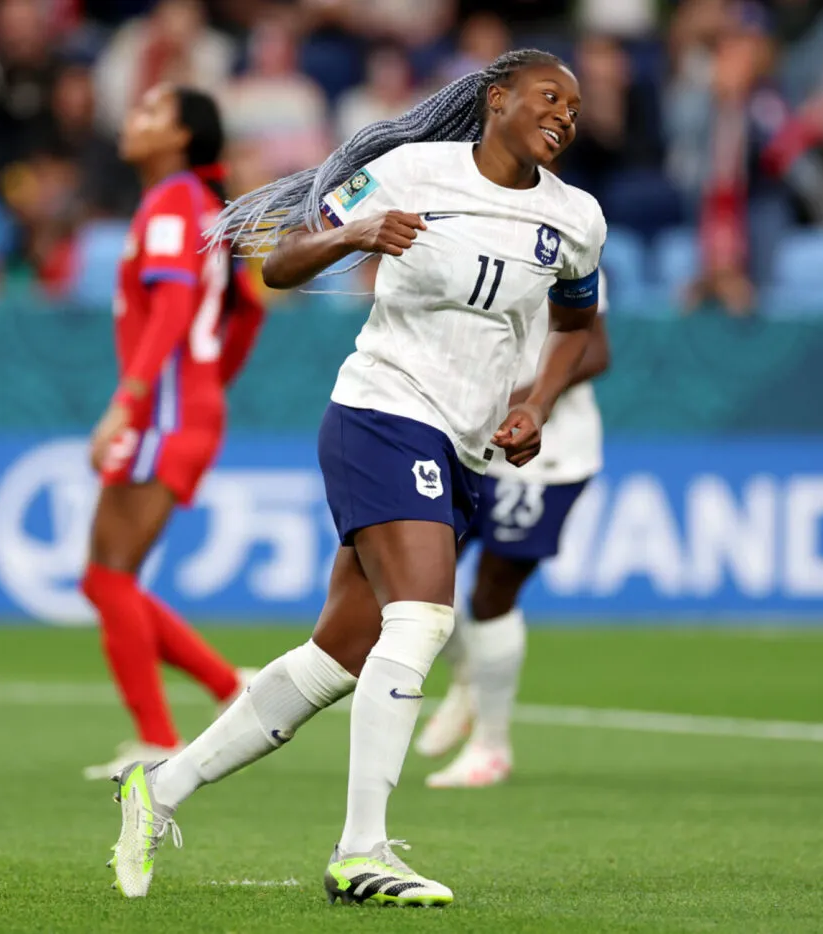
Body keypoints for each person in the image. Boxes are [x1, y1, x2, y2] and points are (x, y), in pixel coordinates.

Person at [107, 49, 607, 907]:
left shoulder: (576, 219)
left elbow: (579, 328)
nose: (566, 113)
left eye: (576, 104)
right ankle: (361, 852)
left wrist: (538, 403)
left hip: (462, 443)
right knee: (422, 619)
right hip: (380, 409)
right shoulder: (411, 170)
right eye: (547, 96)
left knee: (336, 658)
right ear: (496, 101)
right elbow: (281, 265)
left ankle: (161, 788)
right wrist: (353, 233)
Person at [81, 84, 266, 781]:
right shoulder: (202, 206)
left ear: (184, 137)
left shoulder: (172, 200)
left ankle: (160, 736)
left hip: (161, 409)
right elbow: (247, 311)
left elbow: (174, 305)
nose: (134, 119)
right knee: (105, 576)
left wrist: (130, 399)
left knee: (108, 575)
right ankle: (230, 689)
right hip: (181, 404)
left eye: (151, 112)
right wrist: (210, 382)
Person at [415, 275, 612, 787]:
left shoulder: (563, 244)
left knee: (490, 594)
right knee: (415, 577)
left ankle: (491, 746)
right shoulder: (467, 238)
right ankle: (468, 680)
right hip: (468, 447)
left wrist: (519, 401)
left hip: (542, 454)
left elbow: (594, 352)